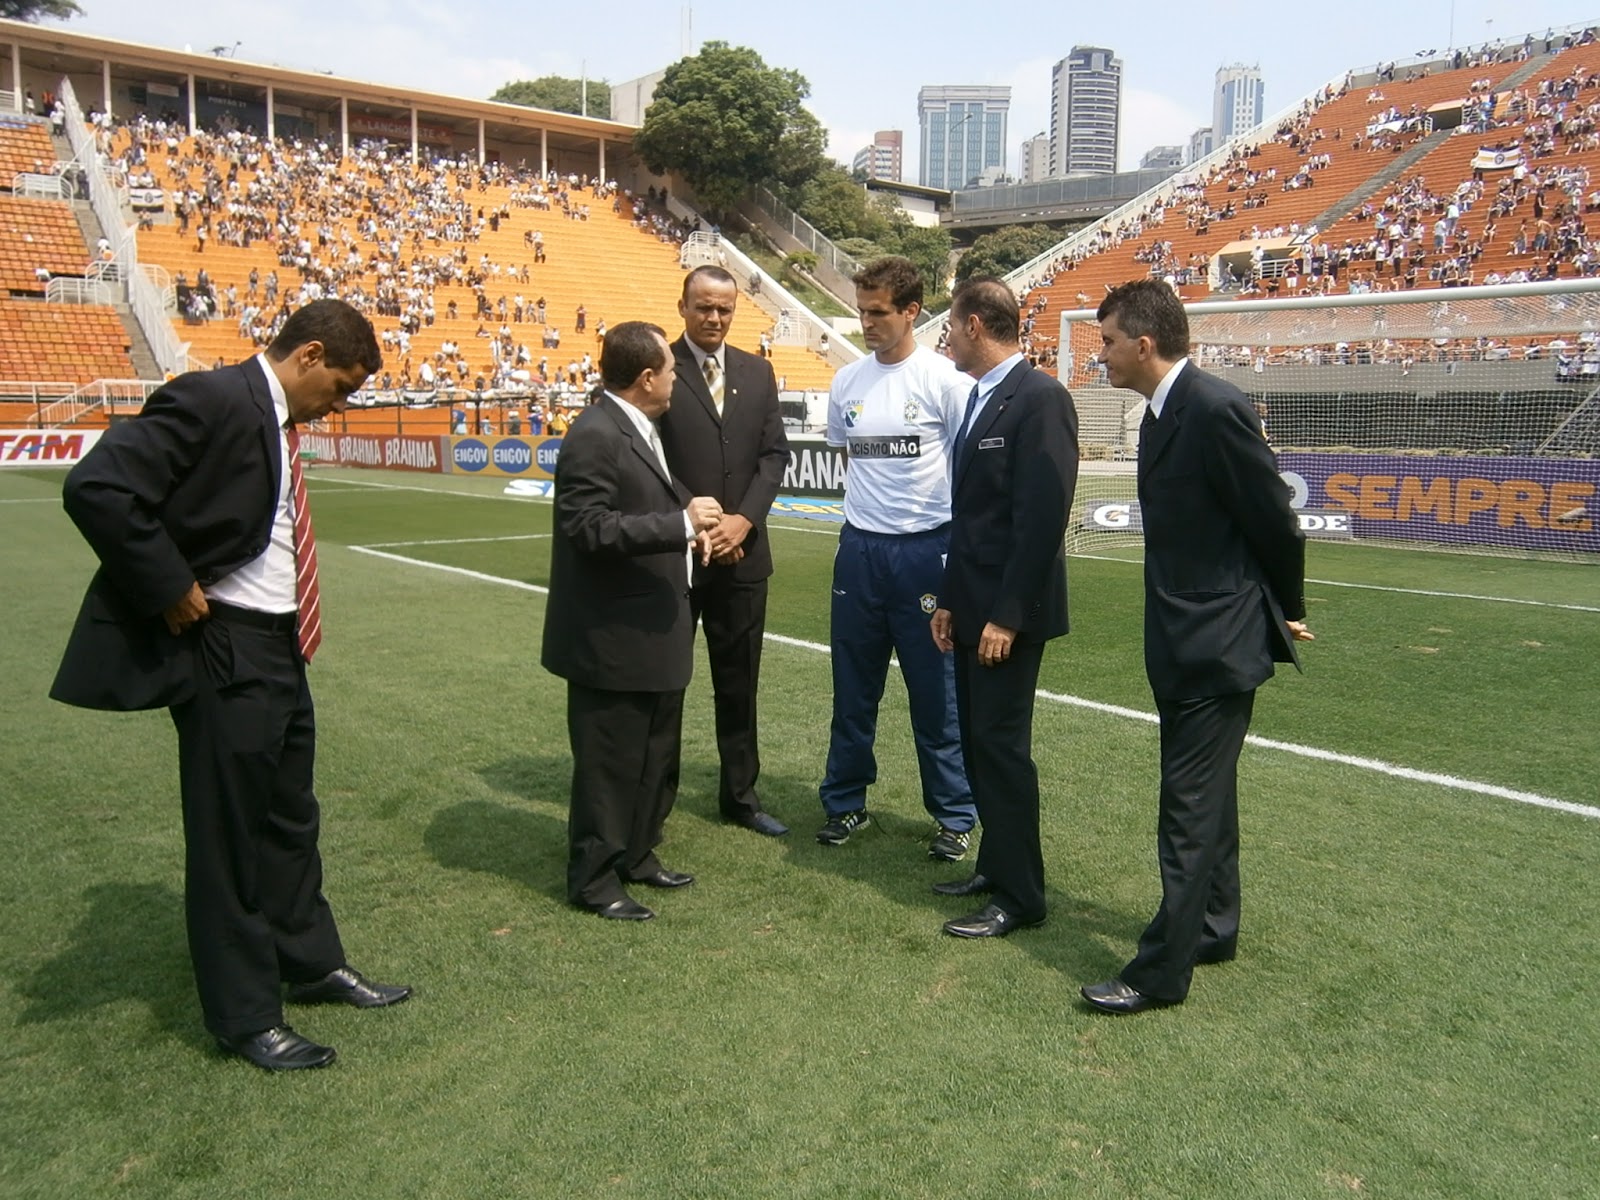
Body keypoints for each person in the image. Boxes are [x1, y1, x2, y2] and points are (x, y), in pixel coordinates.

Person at [50, 299, 409, 1071]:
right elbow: (97, 486)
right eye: (341, 387)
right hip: (225, 643)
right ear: (309, 356)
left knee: (290, 817)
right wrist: (167, 582)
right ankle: (245, 1016)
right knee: (230, 833)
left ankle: (310, 963)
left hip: (281, 645)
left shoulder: (273, 419)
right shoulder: (212, 396)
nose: (340, 405)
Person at [1080, 279, 1313, 1014]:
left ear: (1144, 343)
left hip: (1218, 644)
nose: (1100, 354)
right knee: (1210, 799)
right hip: (1182, 638)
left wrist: (1286, 607)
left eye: (1108, 342)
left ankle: (1160, 972)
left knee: (1186, 808)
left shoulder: (1214, 408)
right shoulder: (1160, 413)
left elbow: (1275, 520)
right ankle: (1214, 927)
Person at [540, 322, 724, 922]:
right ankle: (594, 880)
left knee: (653, 756)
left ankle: (638, 854)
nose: (677, 378)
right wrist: (679, 525)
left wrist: (684, 520)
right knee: (610, 764)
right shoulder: (594, 433)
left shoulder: (638, 425)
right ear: (646, 378)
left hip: (651, 629)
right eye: (671, 369)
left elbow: (642, 502)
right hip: (612, 637)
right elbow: (587, 528)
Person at [930, 278, 1079, 938]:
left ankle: (1021, 897)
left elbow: (1041, 518)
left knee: (1001, 748)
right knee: (977, 742)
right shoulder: (980, 396)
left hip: (1006, 618)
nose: (946, 339)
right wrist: (949, 602)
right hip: (971, 607)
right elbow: (973, 521)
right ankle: (995, 865)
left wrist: (1009, 614)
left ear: (975, 326)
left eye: (950, 327)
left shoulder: (1040, 397)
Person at [815, 256, 977, 860]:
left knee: (936, 696)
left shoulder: (946, 381)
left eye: (878, 312)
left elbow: (970, 471)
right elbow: (849, 456)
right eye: (861, 311)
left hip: (926, 553)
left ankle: (955, 816)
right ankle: (844, 803)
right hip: (860, 552)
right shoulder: (847, 381)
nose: (866, 323)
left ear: (912, 311)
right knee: (852, 690)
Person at [658, 266, 791, 837]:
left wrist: (742, 522)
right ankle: (654, 803)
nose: (714, 318)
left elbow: (773, 456)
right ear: (683, 307)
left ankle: (740, 797)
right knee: (665, 686)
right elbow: (648, 456)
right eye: (704, 307)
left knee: (739, 686)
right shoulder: (658, 367)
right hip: (678, 557)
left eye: (724, 309)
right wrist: (699, 522)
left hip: (744, 558)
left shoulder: (757, 371)